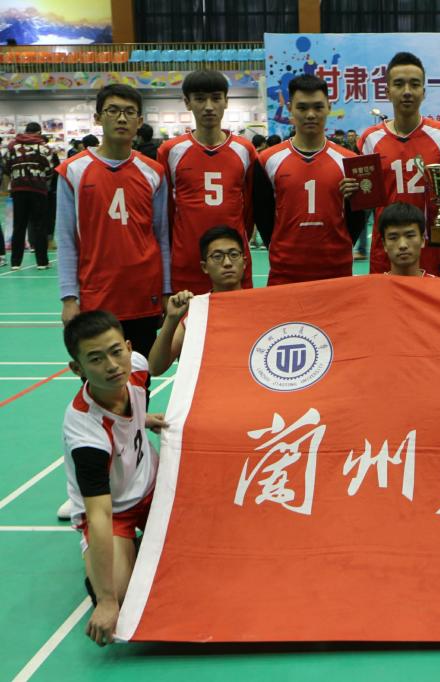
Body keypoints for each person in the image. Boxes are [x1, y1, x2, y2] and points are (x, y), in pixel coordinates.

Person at [61, 310, 165, 646]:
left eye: (116, 351)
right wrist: (106, 601)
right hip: (115, 511)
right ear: (77, 369)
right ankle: (104, 562)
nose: (112, 365)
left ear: (129, 347)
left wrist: (142, 419)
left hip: (152, 486)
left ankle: (138, 548)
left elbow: (149, 375)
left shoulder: (136, 368)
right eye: (96, 359)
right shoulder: (86, 434)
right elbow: (99, 513)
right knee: (121, 598)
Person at [56, 84, 170, 359]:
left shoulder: (153, 172)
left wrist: (166, 291)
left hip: (143, 295)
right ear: (98, 118)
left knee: (140, 376)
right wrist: (69, 298)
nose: (121, 118)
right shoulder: (73, 171)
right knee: (98, 376)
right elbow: (66, 240)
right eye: (113, 111)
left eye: (129, 112)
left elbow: (162, 236)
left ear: (139, 121)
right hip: (96, 297)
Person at [359, 52, 440, 277]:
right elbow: (363, 201)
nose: (407, 91)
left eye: (414, 84)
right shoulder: (369, 140)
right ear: (387, 91)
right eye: (399, 84)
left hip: (434, 246)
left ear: (423, 92)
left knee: (436, 300)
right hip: (387, 247)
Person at [254, 75, 361, 285]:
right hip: (285, 273)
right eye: (302, 108)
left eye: (318, 107)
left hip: (337, 272)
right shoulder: (267, 161)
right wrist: (281, 250)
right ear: (290, 109)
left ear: (329, 107)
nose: (310, 114)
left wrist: (339, 248)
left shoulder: (349, 161)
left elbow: (356, 219)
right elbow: (263, 216)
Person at [158, 69, 257, 295]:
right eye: (200, 99)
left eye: (216, 98)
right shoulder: (170, 151)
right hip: (187, 263)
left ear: (226, 101)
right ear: (187, 102)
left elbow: (249, 210)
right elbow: (167, 213)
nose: (209, 106)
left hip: (233, 265)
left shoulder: (244, 150)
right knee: (188, 318)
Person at [149, 226, 246, 376]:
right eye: (217, 256)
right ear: (204, 267)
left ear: (244, 262)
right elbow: (155, 368)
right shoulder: (196, 312)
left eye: (234, 254)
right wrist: (171, 319)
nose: (227, 262)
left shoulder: (260, 307)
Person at [3, 122, 54, 270]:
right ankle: (42, 262)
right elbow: (50, 169)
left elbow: (6, 168)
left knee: (19, 225)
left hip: (18, 189)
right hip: (38, 189)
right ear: (39, 132)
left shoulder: (12, 147)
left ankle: (16, 262)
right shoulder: (44, 148)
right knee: (39, 225)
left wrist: (9, 186)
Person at [379, 201, 435, 277]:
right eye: (393, 238)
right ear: (384, 244)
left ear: (422, 240)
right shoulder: (374, 284)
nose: (403, 245)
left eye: (410, 236)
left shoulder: (439, 284)